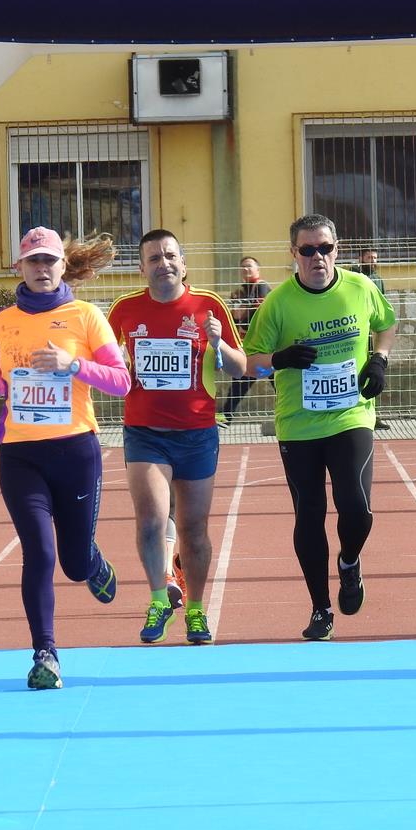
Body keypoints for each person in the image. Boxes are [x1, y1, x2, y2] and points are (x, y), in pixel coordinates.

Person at [0, 226, 131, 689]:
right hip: (20, 453)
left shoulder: (86, 316)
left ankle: (93, 562)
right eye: (33, 261)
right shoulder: (4, 321)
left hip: (75, 451)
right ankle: (46, 653)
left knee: (73, 565)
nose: (41, 269)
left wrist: (73, 365)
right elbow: (1, 379)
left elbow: (120, 382)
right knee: (38, 550)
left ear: (63, 266)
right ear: (20, 267)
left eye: (49, 261)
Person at [243, 214, 397, 641]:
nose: (317, 258)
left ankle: (349, 562)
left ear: (337, 249)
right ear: (293, 254)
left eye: (324, 248)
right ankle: (320, 608)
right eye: (307, 250)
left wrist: (379, 360)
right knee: (309, 516)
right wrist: (279, 359)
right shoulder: (277, 303)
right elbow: (249, 362)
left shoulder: (360, 287)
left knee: (357, 508)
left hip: (351, 415)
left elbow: (386, 325)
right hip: (298, 424)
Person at [107, 229, 246, 645]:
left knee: (193, 529)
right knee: (151, 520)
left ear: (184, 263)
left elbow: (241, 368)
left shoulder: (209, 306)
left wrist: (220, 344)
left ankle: (197, 609)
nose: (163, 264)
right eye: (153, 258)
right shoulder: (125, 309)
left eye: (170, 256)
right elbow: (104, 362)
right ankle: (157, 599)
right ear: (142, 267)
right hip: (145, 433)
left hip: (197, 433)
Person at [218, 256, 272, 425]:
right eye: (243, 267)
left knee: (278, 380)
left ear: (257, 269)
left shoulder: (262, 287)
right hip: (248, 347)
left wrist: (243, 316)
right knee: (240, 382)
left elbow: (259, 314)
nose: (246, 269)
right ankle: (225, 417)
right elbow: (233, 316)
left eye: (249, 266)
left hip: (266, 347)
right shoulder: (239, 292)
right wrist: (240, 316)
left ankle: (293, 411)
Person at [355, 248, 390, 429]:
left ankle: (373, 415)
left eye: (375, 258)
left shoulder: (378, 279)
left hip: (370, 332)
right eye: (369, 257)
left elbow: (381, 309)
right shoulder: (353, 276)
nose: (373, 261)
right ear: (360, 258)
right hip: (355, 332)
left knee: (373, 373)